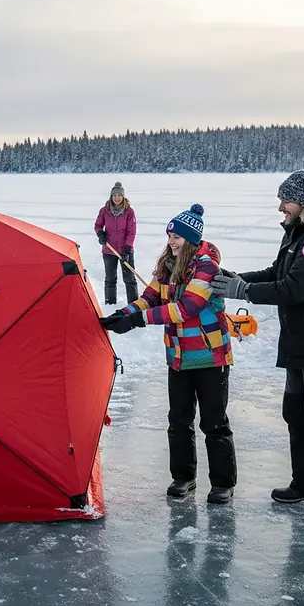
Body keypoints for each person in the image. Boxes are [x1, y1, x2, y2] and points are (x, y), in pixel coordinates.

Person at [210, 170, 304, 522]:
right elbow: (278, 273)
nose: (280, 206)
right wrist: (236, 280)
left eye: (286, 200)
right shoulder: (300, 233)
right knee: (296, 413)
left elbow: (295, 288)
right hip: (301, 341)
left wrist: (243, 292)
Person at [100, 204, 236, 504]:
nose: (171, 241)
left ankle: (223, 483)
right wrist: (124, 313)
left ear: (191, 238)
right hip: (178, 356)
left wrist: (137, 321)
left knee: (214, 422)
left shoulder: (206, 267)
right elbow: (150, 297)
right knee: (178, 420)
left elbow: (186, 308)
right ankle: (183, 478)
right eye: (170, 235)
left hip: (210, 355)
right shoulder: (167, 265)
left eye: (177, 237)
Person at [94, 182, 138, 305]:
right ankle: (110, 303)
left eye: (119, 195)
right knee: (110, 278)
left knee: (129, 278)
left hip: (126, 250)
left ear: (123, 197)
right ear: (111, 196)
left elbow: (131, 231)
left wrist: (127, 247)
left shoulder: (129, 212)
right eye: (115, 195)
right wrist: (100, 234)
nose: (117, 198)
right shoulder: (104, 211)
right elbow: (98, 225)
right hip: (109, 249)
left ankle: (134, 304)